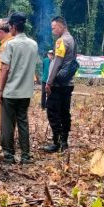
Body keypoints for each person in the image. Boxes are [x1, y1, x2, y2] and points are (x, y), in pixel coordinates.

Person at [0, 12, 39, 164]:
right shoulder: (33, 44)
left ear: (13, 26)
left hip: (11, 91)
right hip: (26, 92)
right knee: (23, 122)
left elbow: (5, 68)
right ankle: (25, 155)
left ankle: (8, 155)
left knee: (8, 124)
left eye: (10, 27)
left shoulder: (10, 44)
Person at [43, 16, 78, 153]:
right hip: (68, 83)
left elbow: (57, 62)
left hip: (58, 84)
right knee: (65, 112)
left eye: (54, 28)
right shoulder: (72, 39)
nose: (52, 31)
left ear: (62, 26)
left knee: (52, 111)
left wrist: (49, 82)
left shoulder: (61, 41)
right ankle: (64, 141)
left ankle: (57, 142)